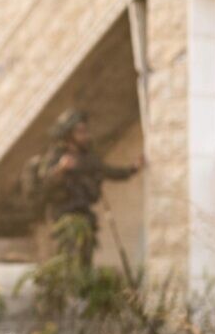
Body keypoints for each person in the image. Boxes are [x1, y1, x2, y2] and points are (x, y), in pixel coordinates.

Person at [39, 109, 141, 268]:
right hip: (63, 217)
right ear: (69, 135)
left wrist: (133, 168)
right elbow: (45, 183)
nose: (84, 135)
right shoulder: (56, 155)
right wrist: (60, 169)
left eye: (85, 131)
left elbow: (109, 171)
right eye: (80, 132)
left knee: (84, 258)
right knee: (66, 260)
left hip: (83, 216)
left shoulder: (87, 157)